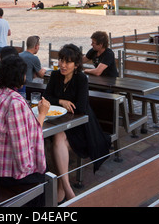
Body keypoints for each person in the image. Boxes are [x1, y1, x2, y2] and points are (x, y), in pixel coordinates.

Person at [0, 55, 50, 206]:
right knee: (44, 178)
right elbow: (22, 152)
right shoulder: (14, 102)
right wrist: (42, 114)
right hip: (2, 173)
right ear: (20, 77)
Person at [44, 44, 111, 203]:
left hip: (82, 127)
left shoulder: (81, 78)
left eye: (68, 62)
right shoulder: (55, 75)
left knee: (57, 141)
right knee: (58, 137)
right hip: (60, 124)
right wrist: (61, 101)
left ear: (76, 65)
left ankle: (62, 189)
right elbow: (46, 98)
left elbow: (80, 107)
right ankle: (68, 190)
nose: (63, 65)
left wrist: (62, 104)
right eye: (61, 60)